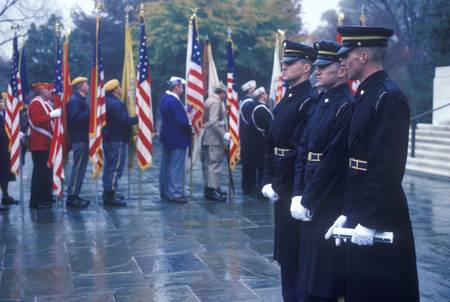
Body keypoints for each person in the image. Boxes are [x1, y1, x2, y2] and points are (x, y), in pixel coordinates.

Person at [324, 26, 420, 302]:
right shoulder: (366, 94)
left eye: (347, 56)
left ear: (364, 56)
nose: (342, 62)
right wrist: (349, 212)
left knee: (380, 292)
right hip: (361, 207)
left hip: (381, 212)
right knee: (360, 289)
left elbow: (386, 167)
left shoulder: (387, 97)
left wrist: (369, 220)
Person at [290, 40, 353, 302]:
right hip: (309, 188)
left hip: (328, 197)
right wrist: (296, 193)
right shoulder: (319, 101)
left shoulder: (346, 105)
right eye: (317, 66)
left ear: (341, 70)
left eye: (324, 67)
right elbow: (302, 148)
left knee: (324, 275)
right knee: (308, 267)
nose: (317, 71)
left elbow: (334, 159)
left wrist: (309, 199)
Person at [261, 40, 317, 302]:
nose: (283, 67)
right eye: (283, 62)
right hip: (280, 179)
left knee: (294, 251)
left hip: (293, 183)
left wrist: (281, 183)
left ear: (306, 67)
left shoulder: (309, 100)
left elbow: (299, 147)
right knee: (284, 251)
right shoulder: (289, 97)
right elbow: (272, 140)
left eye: (290, 63)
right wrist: (267, 178)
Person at [102, 79, 138, 206]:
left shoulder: (106, 102)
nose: (121, 89)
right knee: (115, 167)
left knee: (108, 166)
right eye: (119, 87)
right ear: (115, 89)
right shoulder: (117, 104)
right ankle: (110, 195)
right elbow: (124, 121)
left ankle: (108, 191)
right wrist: (138, 119)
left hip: (108, 139)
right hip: (117, 139)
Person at [28, 83, 61, 209]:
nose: (51, 92)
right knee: (39, 173)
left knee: (47, 173)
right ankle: (36, 201)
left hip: (47, 144)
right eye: (49, 90)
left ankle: (46, 196)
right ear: (42, 91)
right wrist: (51, 115)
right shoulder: (36, 103)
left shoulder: (46, 103)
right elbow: (35, 121)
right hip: (39, 144)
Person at [159, 76, 191, 204]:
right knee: (176, 167)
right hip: (177, 137)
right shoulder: (174, 101)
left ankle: (166, 191)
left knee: (166, 165)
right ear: (176, 87)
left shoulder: (164, 98)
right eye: (181, 86)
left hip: (167, 136)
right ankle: (175, 193)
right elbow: (182, 121)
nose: (182, 89)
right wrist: (190, 129)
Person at [243, 86, 274, 198]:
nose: (267, 95)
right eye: (265, 93)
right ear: (261, 95)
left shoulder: (259, 107)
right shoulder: (261, 109)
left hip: (260, 141)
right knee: (262, 167)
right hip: (262, 142)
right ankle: (261, 190)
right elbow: (269, 126)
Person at [66, 76, 90, 208]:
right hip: (79, 138)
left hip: (83, 138)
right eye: (86, 84)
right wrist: (92, 112)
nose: (88, 86)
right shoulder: (75, 101)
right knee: (78, 167)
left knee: (80, 168)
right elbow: (76, 119)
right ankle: (72, 197)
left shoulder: (81, 99)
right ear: (80, 86)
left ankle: (75, 194)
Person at [202, 82, 228, 202]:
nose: (225, 96)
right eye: (224, 94)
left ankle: (211, 187)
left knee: (209, 164)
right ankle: (211, 190)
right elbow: (213, 122)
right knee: (214, 164)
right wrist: (224, 134)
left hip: (208, 137)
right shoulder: (216, 102)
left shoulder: (209, 100)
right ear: (221, 93)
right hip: (215, 138)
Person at [239, 80, 260, 195]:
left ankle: (248, 186)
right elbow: (252, 121)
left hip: (247, 137)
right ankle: (248, 187)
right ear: (250, 90)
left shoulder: (245, 101)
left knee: (249, 163)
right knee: (249, 163)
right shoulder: (249, 103)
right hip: (250, 137)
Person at [0, 95, 19, 211]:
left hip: (4, 148)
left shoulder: (3, 114)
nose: (3, 103)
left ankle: (5, 196)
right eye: (1, 101)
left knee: (4, 173)